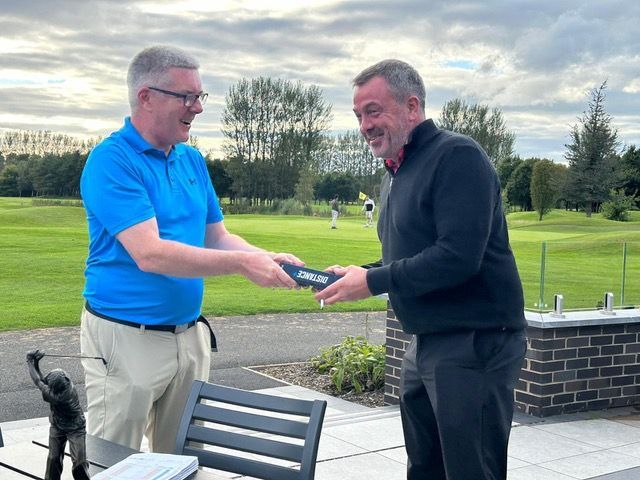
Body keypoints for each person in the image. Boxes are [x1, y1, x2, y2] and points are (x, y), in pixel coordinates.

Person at [79, 45, 303, 453]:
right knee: (113, 460)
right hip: (125, 337)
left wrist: (264, 258)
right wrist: (243, 264)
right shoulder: (112, 160)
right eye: (186, 96)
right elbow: (150, 253)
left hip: (189, 335)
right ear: (146, 97)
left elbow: (216, 236)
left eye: (199, 96)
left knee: (182, 458)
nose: (197, 107)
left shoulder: (192, 160)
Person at [314, 59, 527, 480]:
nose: (364, 126)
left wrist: (372, 281)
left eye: (373, 111)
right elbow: (409, 255)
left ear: (412, 107)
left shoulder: (457, 156)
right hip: (426, 342)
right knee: (425, 469)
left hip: (475, 343)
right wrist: (359, 272)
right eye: (358, 116)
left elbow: (458, 256)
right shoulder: (396, 172)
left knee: (470, 471)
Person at [27, 350, 90, 480]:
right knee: (53, 458)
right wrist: (36, 363)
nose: (49, 388)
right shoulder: (63, 380)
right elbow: (42, 380)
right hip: (57, 425)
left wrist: (29, 361)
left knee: (80, 463)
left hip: (75, 427)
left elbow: (38, 381)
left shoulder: (60, 396)